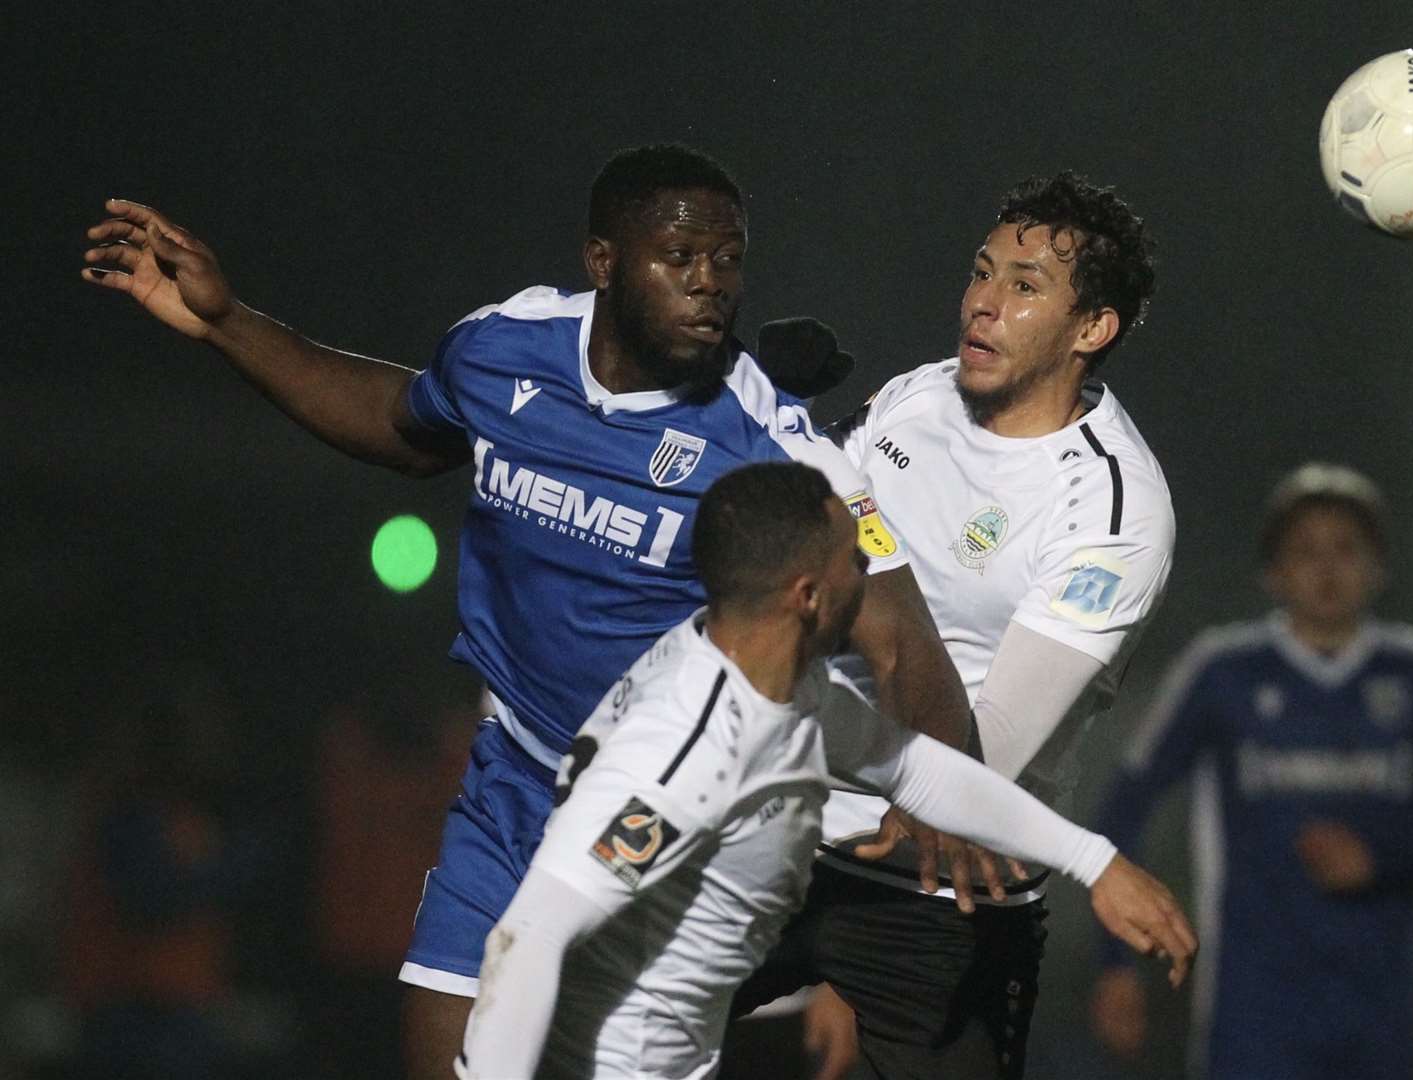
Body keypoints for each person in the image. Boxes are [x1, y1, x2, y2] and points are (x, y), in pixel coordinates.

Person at [80, 144, 979, 1080]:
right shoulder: (505, 345)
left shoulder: (776, 448)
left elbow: (902, 642)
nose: (711, 285)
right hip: (513, 783)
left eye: (729, 260)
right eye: (681, 259)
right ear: (603, 263)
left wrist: (941, 806)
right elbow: (400, 424)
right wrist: (226, 323)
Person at [455, 462, 1196, 1080]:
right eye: (853, 558)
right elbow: (527, 939)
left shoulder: (778, 682)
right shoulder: (685, 749)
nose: (870, 572)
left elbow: (915, 770)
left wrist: (1093, 862)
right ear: (807, 594)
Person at [729, 170, 1181, 1080]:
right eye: (982, 272)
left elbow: (982, 758)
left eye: (1024, 288)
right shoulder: (915, 398)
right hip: (778, 831)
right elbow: (792, 547)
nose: (982, 303)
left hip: (941, 898)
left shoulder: (1114, 511)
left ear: (1092, 329)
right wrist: (755, 405)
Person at [1088, 462, 1413, 1080]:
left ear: (1380, 567)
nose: (1327, 568)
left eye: (1346, 548)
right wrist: (1116, 963)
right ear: (1272, 572)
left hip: (1379, 1014)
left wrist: (1380, 857)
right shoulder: (1223, 670)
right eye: (1305, 550)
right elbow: (1124, 805)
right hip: (1251, 1012)